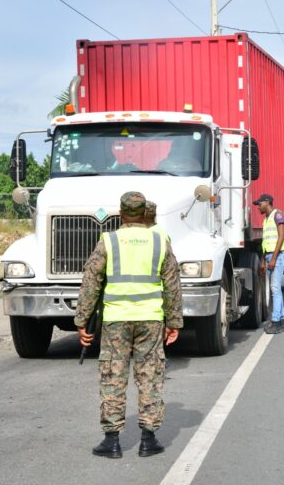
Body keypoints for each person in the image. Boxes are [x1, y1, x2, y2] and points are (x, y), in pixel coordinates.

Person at [74, 191, 183, 459]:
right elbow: (172, 282)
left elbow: (91, 281)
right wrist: (174, 321)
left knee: (113, 376)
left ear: (121, 213)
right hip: (150, 319)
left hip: (116, 319)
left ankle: (112, 442)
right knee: (150, 375)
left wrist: (81, 321)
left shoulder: (109, 241)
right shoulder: (160, 240)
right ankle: (148, 439)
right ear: (144, 212)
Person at [254, 193, 284, 335]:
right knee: (275, 288)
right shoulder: (266, 219)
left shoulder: (278, 215)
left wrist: (274, 258)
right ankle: (279, 321)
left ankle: (276, 321)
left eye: (259, 204)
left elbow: (281, 237)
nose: (258, 207)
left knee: (274, 288)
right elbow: (266, 242)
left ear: (267, 202)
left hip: (279, 255)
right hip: (270, 255)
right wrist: (264, 260)